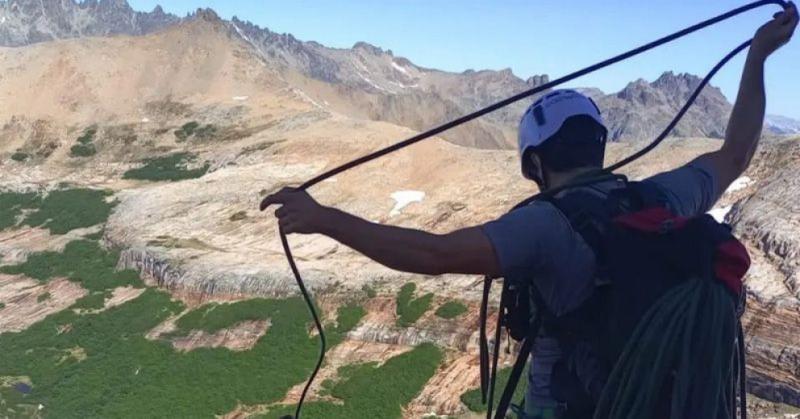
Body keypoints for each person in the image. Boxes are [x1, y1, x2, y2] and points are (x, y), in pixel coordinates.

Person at [262, 5, 797, 419]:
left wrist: (323, 217)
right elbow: (735, 154)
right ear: (600, 146)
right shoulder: (659, 199)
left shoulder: (543, 227)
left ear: (534, 164)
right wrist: (759, 55)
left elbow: (430, 253)